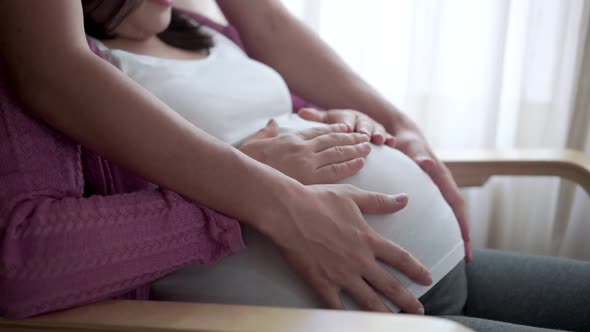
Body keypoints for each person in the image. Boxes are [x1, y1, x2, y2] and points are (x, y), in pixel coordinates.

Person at [0, 1, 588, 331]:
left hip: (438, 272)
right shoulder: (60, 72)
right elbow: (26, 260)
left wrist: (353, 124)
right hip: (351, 313)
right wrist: (250, 186)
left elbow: (273, 108)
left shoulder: (196, 26)